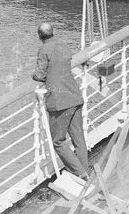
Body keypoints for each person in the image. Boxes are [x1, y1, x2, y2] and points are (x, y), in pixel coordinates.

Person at [32, 23, 90, 180]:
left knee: (58, 141)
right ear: (53, 32)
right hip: (74, 95)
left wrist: (37, 76)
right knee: (78, 139)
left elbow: (39, 74)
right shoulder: (64, 45)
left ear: (39, 36)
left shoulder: (44, 49)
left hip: (60, 101)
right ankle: (85, 173)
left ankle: (80, 173)